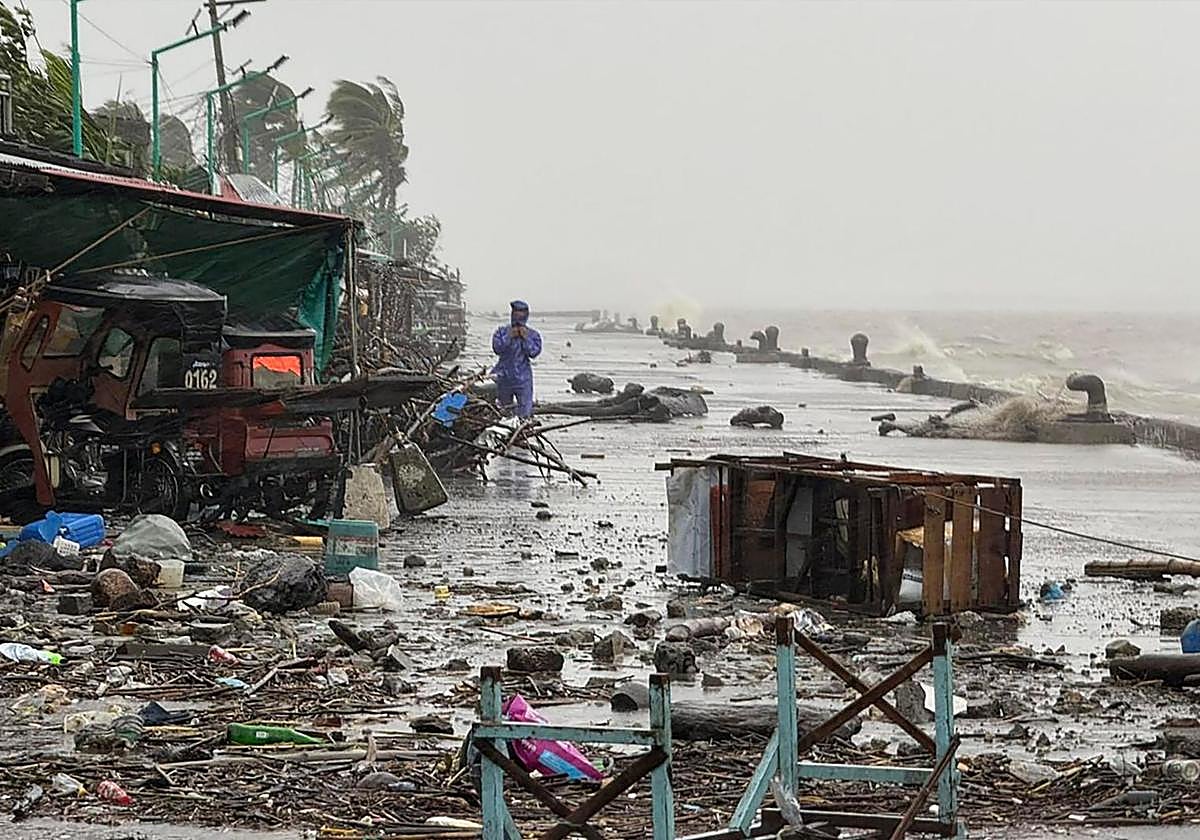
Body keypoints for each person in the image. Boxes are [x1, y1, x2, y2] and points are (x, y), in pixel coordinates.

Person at [491, 300, 542, 418]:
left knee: (525, 412)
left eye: (521, 313)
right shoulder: (501, 331)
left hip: (523, 378)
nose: (518, 316)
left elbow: (534, 352)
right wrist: (509, 336)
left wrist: (525, 338)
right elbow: (497, 349)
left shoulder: (533, 334)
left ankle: (521, 430)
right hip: (503, 376)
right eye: (515, 312)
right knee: (503, 411)